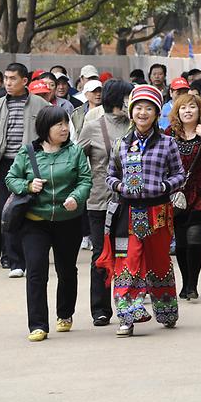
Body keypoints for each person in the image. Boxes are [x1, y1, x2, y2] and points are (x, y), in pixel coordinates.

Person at [98, 84, 185, 337]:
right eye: (138, 108)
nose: (143, 113)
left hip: (158, 212)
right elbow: (110, 175)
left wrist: (164, 185)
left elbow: (180, 174)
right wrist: (121, 186)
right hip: (128, 213)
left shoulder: (168, 143)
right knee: (129, 262)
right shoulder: (120, 144)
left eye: (149, 108)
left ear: (157, 113)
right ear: (131, 111)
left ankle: (166, 311)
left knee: (159, 262)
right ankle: (127, 316)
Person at [5, 106, 92, 342]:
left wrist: (76, 197)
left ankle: (65, 314)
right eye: (59, 125)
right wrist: (27, 186)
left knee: (66, 270)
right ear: (46, 128)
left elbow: (85, 179)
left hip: (68, 221)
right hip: (35, 222)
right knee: (35, 271)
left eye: (66, 124)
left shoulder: (75, 152)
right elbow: (11, 178)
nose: (65, 128)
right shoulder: (28, 153)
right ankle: (38, 324)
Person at [0, 63, 50, 276]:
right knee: (0, 213)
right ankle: (10, 257)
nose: (8, 83)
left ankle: (21, 260)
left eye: (12, 79)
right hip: (2, 166)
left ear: (24, 81)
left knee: (26, 212)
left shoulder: (41, 105)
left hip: (30, 165)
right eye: (6, 78)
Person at [77, 80, 134, 327]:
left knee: (127, 254)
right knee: (101, 254)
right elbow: (77, 161)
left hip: (131, 202)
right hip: (99, 202)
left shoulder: (135, 125)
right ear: (118, 98)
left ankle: (126, 304)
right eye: (128, 96)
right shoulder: (92, 126)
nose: (133, 101)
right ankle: (100, 309)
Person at [165, 93, 201, 300]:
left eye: (192, 107)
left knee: (195, 239)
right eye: (183, 107)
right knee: (182, 243)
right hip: (176, 196)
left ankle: (192, 285)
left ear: (199, 111)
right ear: (177, 111)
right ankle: (185, 283)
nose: (188, 111)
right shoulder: (169, 134)